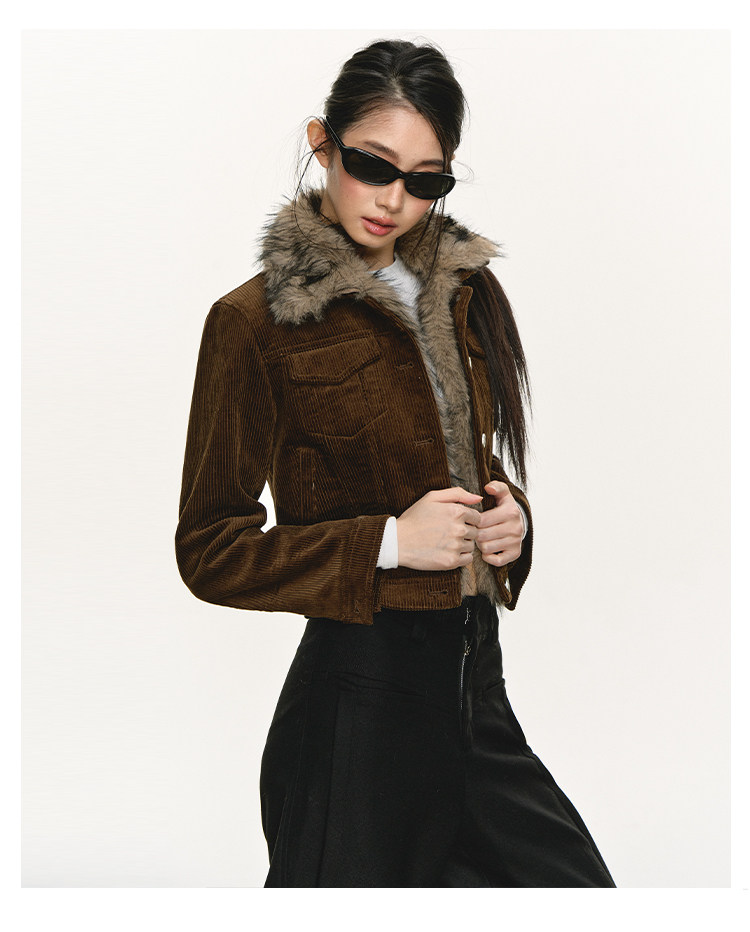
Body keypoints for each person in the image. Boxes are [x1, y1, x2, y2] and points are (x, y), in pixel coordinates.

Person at [175, 38, 615, 888]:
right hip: (357, 717)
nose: (392, 200)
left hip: (475, 691)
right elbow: (209, 548)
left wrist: (508, 515)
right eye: (372, 166)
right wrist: (387, 543)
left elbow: (455, 450)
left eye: (425, 181)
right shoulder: (253, 323)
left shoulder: (465, 291)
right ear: (322, 143)